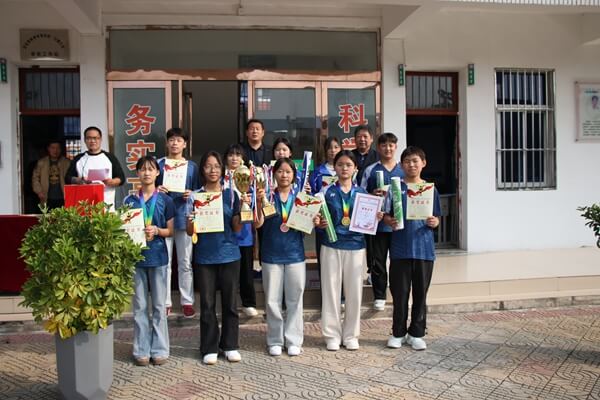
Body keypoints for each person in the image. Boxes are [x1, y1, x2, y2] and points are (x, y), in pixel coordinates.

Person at [315, 150, 382, 351]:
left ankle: (351, 335)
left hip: (356, 246)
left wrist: (375, 217)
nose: (344, 168)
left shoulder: (363, 194)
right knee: (330, 291)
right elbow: (317, 219)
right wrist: (318, 222)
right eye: (340, 164)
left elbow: (368, 220)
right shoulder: (325, 192)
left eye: (348, 165)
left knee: (354, 292)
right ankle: (332, 335)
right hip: (331, 245)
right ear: (334, 167)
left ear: (355, 168)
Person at [186, 151, 247, 365]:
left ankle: (230, 345)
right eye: (208, 166)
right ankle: (209, 347)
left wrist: (243, 211)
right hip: (205, 257)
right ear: (202, 170)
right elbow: (189, 231)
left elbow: (237, 228)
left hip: (229, 254)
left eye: (217, 166)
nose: (213, 170)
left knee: (230, 303)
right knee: (207, 303)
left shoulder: (232, 195)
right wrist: (192, 220)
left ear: (222, 170)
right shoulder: (195, 197)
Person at [384, 146, 441, 351]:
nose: (411, 165)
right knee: (399, 295)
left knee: (420, 294)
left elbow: (437, 217)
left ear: (423, 163)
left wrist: (435, 222)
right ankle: (398, 333)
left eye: (415, 161)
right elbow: (386, 214)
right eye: (407, 161)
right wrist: (389, 220)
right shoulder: (394, 188)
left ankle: (417, 333)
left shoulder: (430, 190)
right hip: (400, 249)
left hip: (424, 250)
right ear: (401, 165)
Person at [254, 158, 311, 357]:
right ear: (274, 174)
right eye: (280, 171)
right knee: (272, 300)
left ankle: (294, 340)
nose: (284, 175)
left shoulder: (301, 197)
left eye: (288, 171)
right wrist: (258, 202)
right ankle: (275, 340)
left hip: (295, 254)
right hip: (271, 254)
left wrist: (313, 218)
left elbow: (308, 226)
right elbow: (257, 224)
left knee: (295, 299)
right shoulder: (267, 196)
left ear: (294, 175)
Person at [123, 156, 175, 366]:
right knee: (140, 306)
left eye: (151, 169)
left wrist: (157, 230)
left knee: (159, 306)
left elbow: (171, 230)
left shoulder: (165, 200)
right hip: (137, 259)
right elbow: (124, 230)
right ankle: (141, 349)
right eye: (143, 169)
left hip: (158, 257)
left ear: (157, 173)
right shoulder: (129, 201)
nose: (146, 173)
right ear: (137, 173)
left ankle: (160, 349)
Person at [156, 128, 200, 318]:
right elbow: (149, 187)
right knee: (165, 263)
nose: (175, 143)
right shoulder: (159, 164)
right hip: (163, 218)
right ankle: (165, 302)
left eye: (179, 140)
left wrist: (192, 193)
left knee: (185, 262)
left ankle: (187, 301)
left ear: (185, 144)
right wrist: (157, 189)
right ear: (167, 143)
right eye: (172, 140)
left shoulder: (192, 167)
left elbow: (199, 190)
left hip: (184, 217)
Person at [360, 133, 404, 311]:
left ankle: (398, 293)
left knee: (398, 261)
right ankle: (379, 295)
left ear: (396, 147)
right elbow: (360, 194)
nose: (388, 148)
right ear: (378, 148)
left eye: (391, 145)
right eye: (384, 145)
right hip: (377, 224)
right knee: (377, 261)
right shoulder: (370, 170)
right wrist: (372, 195)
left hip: (398, 225)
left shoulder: (403, 169)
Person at [224, 144, 258, 317]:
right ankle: (228, 304)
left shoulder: (250, 178)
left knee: (246, 269)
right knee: (228, 271)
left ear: (243, 159)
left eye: (238, 155)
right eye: (231, 154)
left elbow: (257, 203)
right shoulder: (219, 179)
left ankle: (248, 302)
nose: (234, 158)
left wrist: (250, 201)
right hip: (224, 231)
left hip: (244, 231)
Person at [65, 126, 125, 207]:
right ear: (85, 140)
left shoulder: (110, 157)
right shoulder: (79, 159)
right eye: (89, 138)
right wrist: (79, 180)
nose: (92, 141)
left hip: (106, 203)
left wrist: (111, 182)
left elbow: (121, 178)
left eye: (95, 138)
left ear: (100, 139)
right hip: (84, 203)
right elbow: (67, 178)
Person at [309, 136, 341, 276]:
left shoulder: (347, 169)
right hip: (323, 219)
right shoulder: (318, 172)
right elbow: (312, 194)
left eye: (336, 147)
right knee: (324, 259)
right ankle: (325, 288)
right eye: (329, 148)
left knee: (341, 260)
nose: (333, 150)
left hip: (341, 220)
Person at [32, 140, 70, 210]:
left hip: (63, 197)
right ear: (48, 149)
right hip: (46, 197)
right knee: (47, 215)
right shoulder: (41, 162)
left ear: (61, 149)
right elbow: (35, 178)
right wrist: (39, 191)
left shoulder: (67, 162)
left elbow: (71, 178)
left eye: (58, 148)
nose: (55, 150)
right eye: (53, 148)